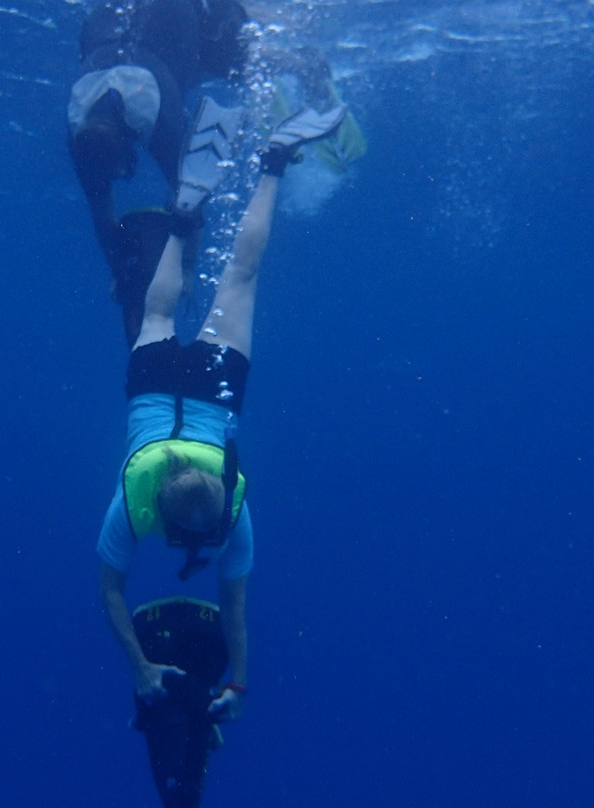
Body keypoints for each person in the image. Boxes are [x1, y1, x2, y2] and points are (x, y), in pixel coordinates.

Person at [96, 103, 347, 808]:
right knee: (155, 316)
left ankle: (270, 163)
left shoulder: (170, 507)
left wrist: (147, 670)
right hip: (152, 391)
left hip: (213, 393)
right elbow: (228, 608)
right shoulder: (181, 509)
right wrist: (230, 678)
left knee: (241, 277)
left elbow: (112, 592)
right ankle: (183, 218)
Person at [67, 0, 364, 346]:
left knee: (237, 62)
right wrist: (120, 269)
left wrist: (188, 268)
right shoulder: (81, 133)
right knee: (201, 63)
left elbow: (192, 195)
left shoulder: (157, 116)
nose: (117, 178)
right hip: (131, 30)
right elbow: (102, 217)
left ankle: (303, 65)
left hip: (185, 19)